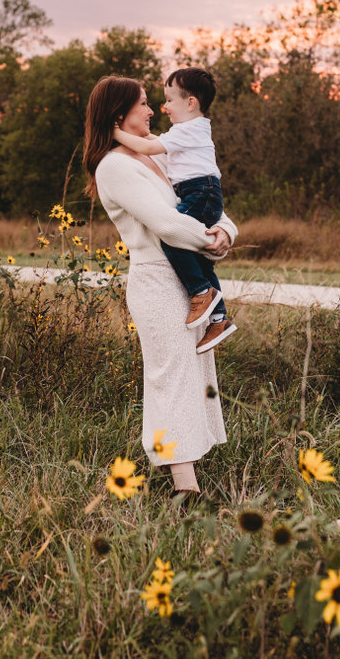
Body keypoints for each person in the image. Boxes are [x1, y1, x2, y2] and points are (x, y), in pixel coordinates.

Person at [85, 75, 237, 496]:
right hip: (156, 282)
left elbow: (207, 198)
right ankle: (184, 490)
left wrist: (226, 231)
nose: (153, 111)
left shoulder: (163, 156)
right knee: (170, 377)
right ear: (119, 115)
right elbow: (169, 224)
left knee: (193, 374)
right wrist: (211, 240)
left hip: (190, 280)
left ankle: (190, 474)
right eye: (144, 104)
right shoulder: (114, 166)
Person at [111, 67, 235, 353]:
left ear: (190, 103)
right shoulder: (187, 130)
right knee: (201, 261)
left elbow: (149, 145)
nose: (161, 108)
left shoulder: (188, 130)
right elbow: (152, 143)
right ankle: (219, 317)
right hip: (203, 192)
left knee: (175, 242)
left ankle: (201, 293)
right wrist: (213, 238)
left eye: (168, 100)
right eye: (146, 103)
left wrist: (115, 133)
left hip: (200, 191)